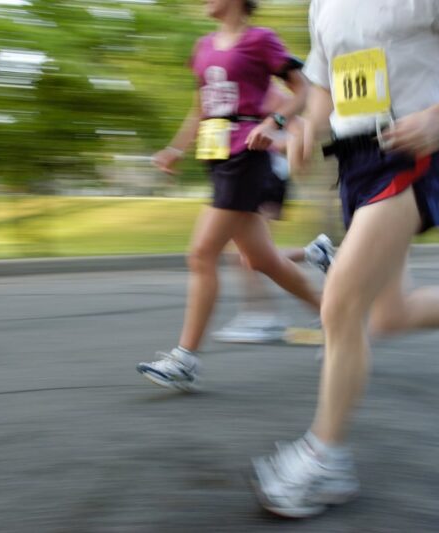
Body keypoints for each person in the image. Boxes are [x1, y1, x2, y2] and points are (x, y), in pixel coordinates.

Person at [251, 0, 439, 518]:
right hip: (354, 162)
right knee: (389, 312)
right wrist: (304, 131)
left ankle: (325, 459)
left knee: (340, 305)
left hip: (411, 149)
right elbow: (322, 85)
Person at [137, 0, 321, 391]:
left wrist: (276, 122)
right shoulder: (203, 46)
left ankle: (185, 358)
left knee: (201, 253)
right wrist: (176, 148)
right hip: (215, 155)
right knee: (264, 260)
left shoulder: (261, 40)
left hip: (247, 155)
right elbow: (200, 108)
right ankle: (340, 320)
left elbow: (302, 89)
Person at [213, 84, 335, 345]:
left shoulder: (268, 90)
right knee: (250, 254)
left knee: (247, 255)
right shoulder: (236, 89)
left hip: (268, 174)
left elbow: (298, 130)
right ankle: (313, 255)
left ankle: (263, 317)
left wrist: (277, 144)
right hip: (248, 174)